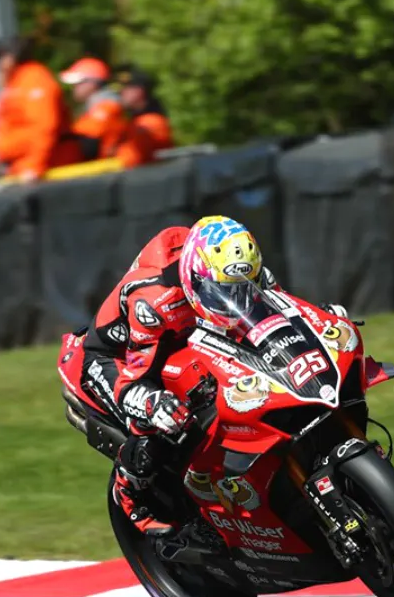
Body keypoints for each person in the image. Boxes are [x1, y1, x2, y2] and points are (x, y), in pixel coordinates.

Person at [75, 216, 349, 536]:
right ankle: (129, 491)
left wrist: (321, 320)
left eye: (241, 288)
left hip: (186, 333)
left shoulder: (242, 270)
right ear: (195, 277)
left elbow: (284, 311)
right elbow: (134, 379)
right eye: (221, 291)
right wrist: (152, 403)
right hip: (119, 356)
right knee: (163, 419)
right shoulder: (154, 302)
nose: (233, 299)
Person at [0, 36, 83, 182]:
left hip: (49, 166)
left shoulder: (35, 78)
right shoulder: (15, 80)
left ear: (13, 55)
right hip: (20, 166)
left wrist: (35, 165)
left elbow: (44, 126)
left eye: (0, 56)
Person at [114, 66, 174, 160]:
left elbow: (131, 160)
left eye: (126, 87)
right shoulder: (135, 120)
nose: (121, 92)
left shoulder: (150, 123)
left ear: (139, 91)